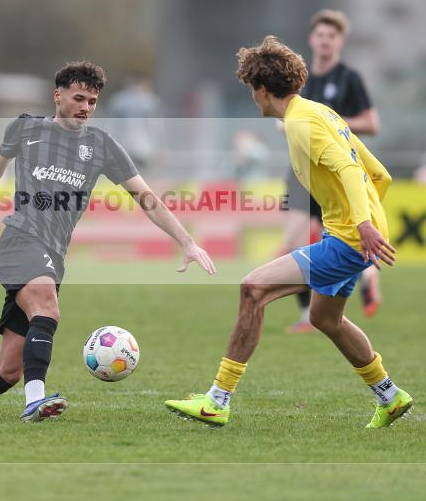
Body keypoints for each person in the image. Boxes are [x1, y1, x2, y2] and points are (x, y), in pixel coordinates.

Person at [0, 61, 215, 422]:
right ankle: (34, 401)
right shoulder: (25, 128)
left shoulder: (103, 146)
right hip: (19, 239)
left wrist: (187, 242)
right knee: (48, 309)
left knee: (6, 372)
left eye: (93, 101)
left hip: (52, 256)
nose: (86, 108)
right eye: (79, 98)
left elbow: (146, 197)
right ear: (58, 96)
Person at [165, 36, 412, 428]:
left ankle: (217, 400)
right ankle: (390, 396)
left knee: (253, 288)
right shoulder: (321, 112)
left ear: (262, 90)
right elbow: (379, 174)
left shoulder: (298, 124)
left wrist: (361, 226)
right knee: (325, 319)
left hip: (349, 237)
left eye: (252, 91)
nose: (253, 99)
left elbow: (350, 171)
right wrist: (365, 219)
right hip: (349, 234)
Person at [281, 10, 382, 333]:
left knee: (342, 239)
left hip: (334, 173)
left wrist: (332, 123)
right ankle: (306, 314)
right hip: (300, 172)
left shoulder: (348, 79)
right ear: (311, 39)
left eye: (332, 36)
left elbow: (372, 124)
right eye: (320, 35)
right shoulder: (300, 78)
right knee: (294, 240)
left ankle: (366, 275)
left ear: (340, 41)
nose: (325, 41)